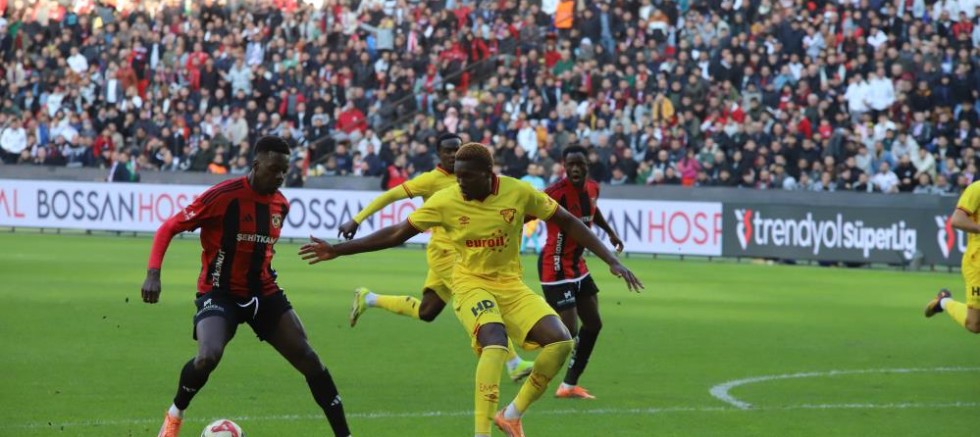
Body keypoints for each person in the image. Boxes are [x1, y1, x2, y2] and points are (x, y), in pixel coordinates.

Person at [300, 143, 643, 437]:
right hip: (469, 282)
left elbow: (567, 220)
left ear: (488, 174)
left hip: (510, 284)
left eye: (466, 175)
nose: (459, 181)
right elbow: (396, 233)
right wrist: (338, 249)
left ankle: (511, 415)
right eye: (457, 174)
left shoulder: (518, 192)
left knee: (562, 341)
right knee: (493, 343)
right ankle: (481, 432)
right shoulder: (446, 200)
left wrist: (611, 260)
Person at [141, 136, 352, 437]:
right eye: (274, 169)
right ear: (256, 164)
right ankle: (175, 414)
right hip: (220, 292)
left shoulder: (281, 205)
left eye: (284, 171)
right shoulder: (223, 196)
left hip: (263, 293)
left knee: (309, 359)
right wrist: (153, 273)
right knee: (207, 357)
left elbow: (262, 250)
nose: (280, 177)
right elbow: (168, 227)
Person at [338, 133, 535, 381]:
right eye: (448, 150)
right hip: (446, 256)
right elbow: (391, 195)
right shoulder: (431, 181)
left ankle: (370, 298)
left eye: (457, 149)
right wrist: (357, 219)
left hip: (463, 253)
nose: (453, 154)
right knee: (485, 302)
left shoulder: (473, 176)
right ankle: (513, 362)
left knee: (427, 311)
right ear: (438, 154)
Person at [539, 145, 624, 400]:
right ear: (564, 166)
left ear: (588, 165)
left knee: (594, 324)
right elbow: (527, 214)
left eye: (580, 164)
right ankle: (527, 350)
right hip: (555, 266)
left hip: (578, 266)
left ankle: (568, 385)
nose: (575, 168)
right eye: (571, 164)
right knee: (567, 334)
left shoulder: (593, 188)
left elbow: (592, 210)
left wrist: (609, 231)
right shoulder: (554, 194)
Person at [925, 180, 980, 334]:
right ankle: (944, 302)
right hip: (978, 263)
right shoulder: (977, 189)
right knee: (975, 325)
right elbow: (957, 220)